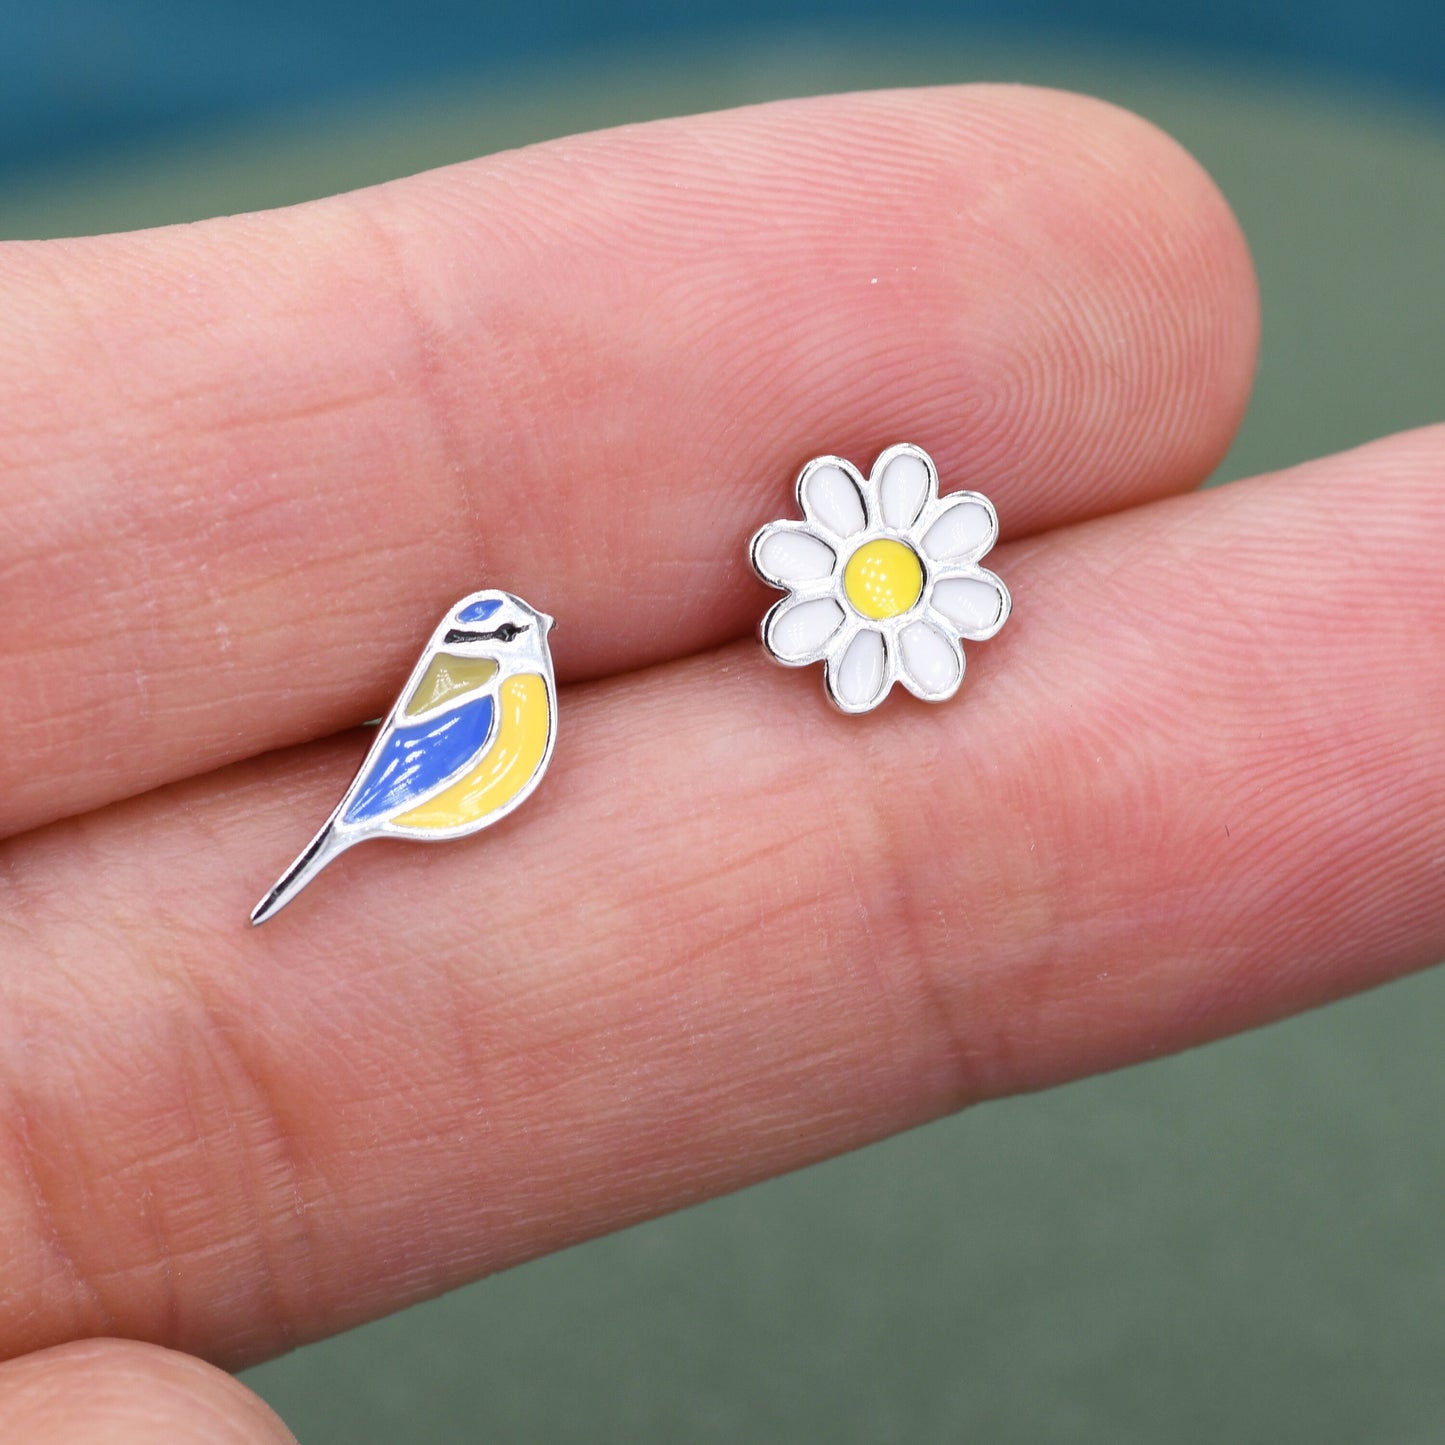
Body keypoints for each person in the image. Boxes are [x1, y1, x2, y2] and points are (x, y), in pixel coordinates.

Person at [0, 82, 1437, 1441]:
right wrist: (359, 825)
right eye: (507, 630)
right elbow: (416, 764)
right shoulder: (476, 686)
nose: (518, 635)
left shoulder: (514, 675)